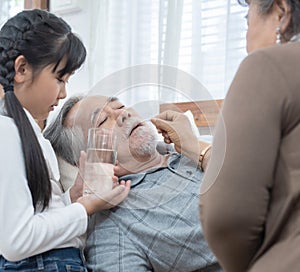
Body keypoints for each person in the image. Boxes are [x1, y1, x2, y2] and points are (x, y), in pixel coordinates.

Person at [154, 0, 300, 271]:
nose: (246, 38)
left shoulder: (267, 66)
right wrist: (195, 147)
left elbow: (227, 219)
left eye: (247, 20)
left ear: (281, 12)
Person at [0, 9, 130, 271]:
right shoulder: (6, 132)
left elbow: (39, 218)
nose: (64, 93)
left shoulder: (28, 134)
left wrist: (72, 196)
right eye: (59, 79)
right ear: (22, 69)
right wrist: (85, 208)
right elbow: (16, 241)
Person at [43, 95, 222, 272]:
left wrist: (195, 147)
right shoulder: (114, 224)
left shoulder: (191, 152)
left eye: (120, 106)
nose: (124, 114)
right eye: (103, 120)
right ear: (92, 157)